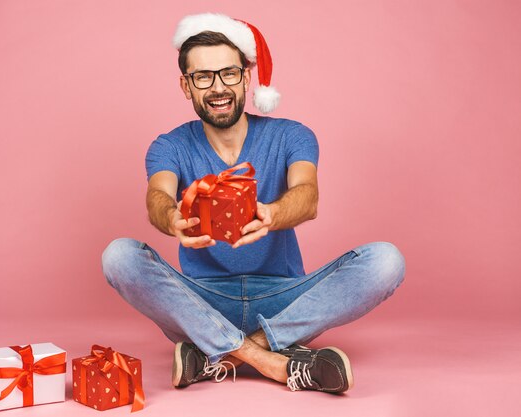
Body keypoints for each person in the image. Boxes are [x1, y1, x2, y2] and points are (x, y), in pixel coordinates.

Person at [102, 13, 405, 393]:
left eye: (228, 73)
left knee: (386, 260)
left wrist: (272, 214)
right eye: (203, 76)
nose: (217, 87)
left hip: (284, 297)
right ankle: (275, 364)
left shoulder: (291, 135)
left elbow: (307, 195)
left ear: (246, 77)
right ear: (186, 86)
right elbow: (157, 195)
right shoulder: (169, 145)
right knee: (118, 255)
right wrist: (171, 217)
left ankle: (224, 354)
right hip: (202, 300)